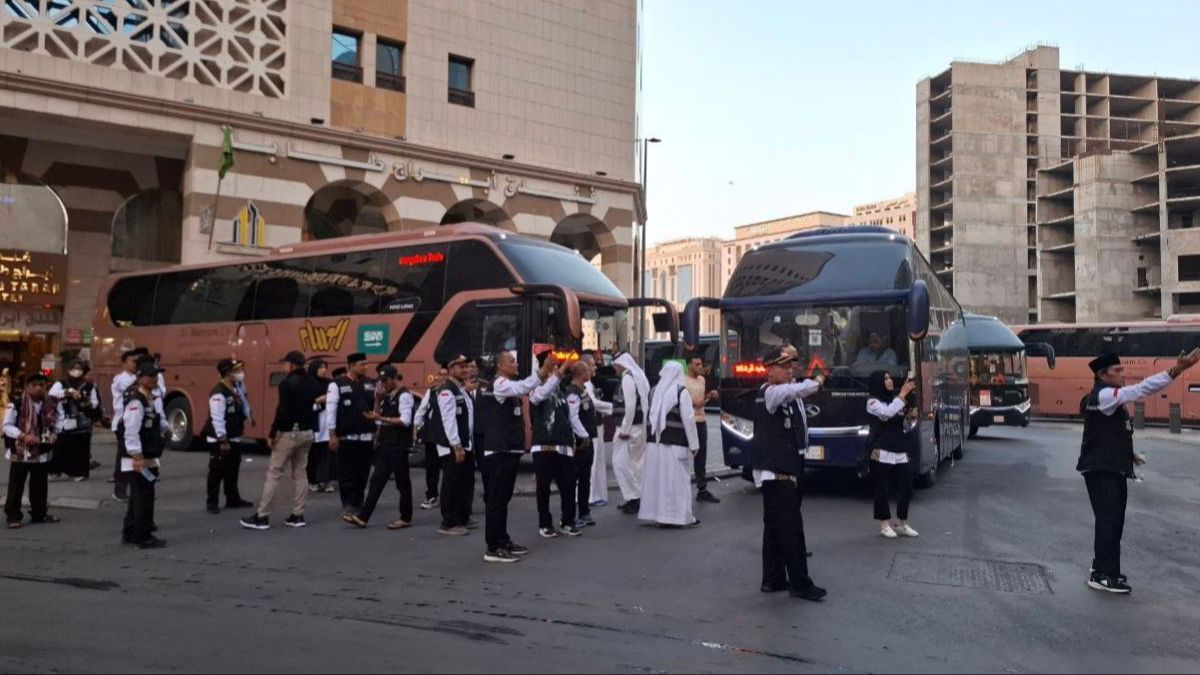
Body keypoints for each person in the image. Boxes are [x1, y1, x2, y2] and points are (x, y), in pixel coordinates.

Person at [1078, 349, 1200, 594]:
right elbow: (1142, 389)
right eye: (1117, 370)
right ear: (1103, 375)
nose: (1122, 373)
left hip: (1111, 468)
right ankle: (1102, 574)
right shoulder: (1105, 395)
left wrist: (1130, 455)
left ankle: (1105, 570)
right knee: (1108, 521)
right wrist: (1177, 369)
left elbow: (1107, 431)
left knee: (1114, 521)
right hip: (1101, 470)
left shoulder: (1108, 397)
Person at [754, 346, 827, 602]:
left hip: (787, 466)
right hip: (778, 471)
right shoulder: (772, 393)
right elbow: (796, 389)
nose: (789, 370)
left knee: (774, 529)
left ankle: (772, 579)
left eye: (791, 365)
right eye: (783, 366)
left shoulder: (785, 392)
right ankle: (800, 583)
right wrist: (817, 381)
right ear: (769, 369)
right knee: (791, 529)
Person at [241, 351, 322, 531]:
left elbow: (282, 411)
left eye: (285, 363)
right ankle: (297, 514)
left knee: (274, 472)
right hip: (308, 431)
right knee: (300, 473)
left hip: (289, 433)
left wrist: (272, 433)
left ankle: (262, 516)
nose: (284, 366)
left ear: (292, 365)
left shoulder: (287, 384)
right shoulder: (313, 382)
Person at [476, 350, 543, 563]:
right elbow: (523, 386)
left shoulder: (507, 386)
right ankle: (493, 547)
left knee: (503, 499)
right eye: (511, 361)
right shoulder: (499, 384)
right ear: (500, 366)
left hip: (509, 450)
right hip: (499, 451)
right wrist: (542, 373)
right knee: (496, 499)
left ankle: (503, 539)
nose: (516, 364)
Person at [345, 365, 415, 530]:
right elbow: (378, 418)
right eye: (380, 382)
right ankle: (363, 516)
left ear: (393, 379)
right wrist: (377, 401)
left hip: (398, 446)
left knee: (402, 483)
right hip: (385, 445)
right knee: (376, 481)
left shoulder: (405, 396)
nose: (383, 384)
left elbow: (405, 421)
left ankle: (406, 517)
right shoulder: (386, 396)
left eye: (385, 381)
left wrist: (382, 418)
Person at [639, 362, 701, 528]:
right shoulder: (681, 392)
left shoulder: (654, 391)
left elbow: (647, 416)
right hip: (676, 445)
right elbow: (688, 420)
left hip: (655, 446)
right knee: (677, 481)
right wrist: (694, 444)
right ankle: (678, 516)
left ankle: (659, 515)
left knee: (658, 480)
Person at [530, 353, 581, 538]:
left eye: (555, 366)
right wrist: (559, 371)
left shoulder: (562, 392)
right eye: (549, 366)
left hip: (563, 447)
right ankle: (545, 524)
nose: (554, 370)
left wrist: (576, 439)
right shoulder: (536, 389)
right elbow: (541, 395)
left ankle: (567, 522)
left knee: (568, 486)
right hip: (543, 448)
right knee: (543, 490)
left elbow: (569, 419)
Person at [117, 363, 169, 548]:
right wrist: (137, 457)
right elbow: (131, 431)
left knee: (138, 497)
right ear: (140, 377)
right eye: (150, 375)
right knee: (143, 498)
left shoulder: (151, 399)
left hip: (147, 454)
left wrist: (166, 430)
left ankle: (130, 532)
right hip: (138, 457)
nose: (154, 379)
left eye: (156, 375)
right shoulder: (136, 401)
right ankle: (143, 536)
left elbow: (157, 421)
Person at [865, 371, 919, 539]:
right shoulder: (872, 402)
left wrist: (911, 418)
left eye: (890, 378)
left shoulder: (897, 399)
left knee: (906, 486)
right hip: (881, 450)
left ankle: (902, 523)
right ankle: (884, 524)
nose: (889, 381)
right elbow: (886, 413)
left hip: (899, 449)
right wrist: (903, 394)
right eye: (885, 378)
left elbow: (905, 426)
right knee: (882, 489)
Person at [4, 373, 59, 529]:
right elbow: (7, 426)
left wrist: (55, 433)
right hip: (22, 451)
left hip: (42, 450)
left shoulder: (50, 403)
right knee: (16, 485)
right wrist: (23, 435)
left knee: (40, 484)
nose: (38, 388)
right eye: (34, 385)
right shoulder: (16, 403)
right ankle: (13, 516)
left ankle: (39, 513)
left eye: (42, 385)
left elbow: (57, 421)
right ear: (27, 387)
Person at [428, 355, 475, 536]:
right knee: (451, 483)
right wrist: (456, 446)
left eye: (466, 366)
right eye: (460, 367)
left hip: (464, 443)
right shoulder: (447, 390)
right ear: (451, 369)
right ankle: (448, 522)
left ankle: (461, 518)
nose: (465, 370)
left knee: (463, 483)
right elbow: (449, 420)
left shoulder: (461, 388)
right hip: (452, 446)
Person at [327, 353, 378, 514]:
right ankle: (347, 503)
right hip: (346, 436)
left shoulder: (370, 383)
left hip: (366, 436)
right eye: (362, 364)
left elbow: (375, 407)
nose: (366, 367)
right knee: (346, 471)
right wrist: (332, 434)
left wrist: (377, 430)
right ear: (352, 366)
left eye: (366, 364)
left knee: (363, 471)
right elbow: (331, 409)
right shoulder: (337, 384)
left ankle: (358, 502)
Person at [202, 359, 254, 514]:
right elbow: (217, 417)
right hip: (220, 439)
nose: (240, 373)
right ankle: (212, 501)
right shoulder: (218, 392)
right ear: (228, 373)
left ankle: (233, 498)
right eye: (237, 370)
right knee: (216, 470)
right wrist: (223, 439)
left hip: (235, 435)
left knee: (233, 469)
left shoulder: (237, 389)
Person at [611, 352, 650, 514]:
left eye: (615, 363)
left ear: (621, 363)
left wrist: (625, 429)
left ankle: (633, 497)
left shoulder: (628, 378)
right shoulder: (639, 376)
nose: (614, 367)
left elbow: (630, 406)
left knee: (619, 462)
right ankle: (638, 497)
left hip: (629, 428)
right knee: (636, 464)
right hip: (639, 427)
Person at [50, 360, 99, 482]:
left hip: (82, 422)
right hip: (63, 420)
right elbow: (52, 394)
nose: (77, 371)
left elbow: (95, 402)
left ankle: (79, 473)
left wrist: (87, 403)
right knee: (59, 448)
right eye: (74, 368)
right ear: (69, 370)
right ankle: (56, 471)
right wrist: (68, 392)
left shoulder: (89, 385)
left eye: (79, 368)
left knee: (80, 449)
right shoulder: (61, 383)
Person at [566, 361, 600, 528]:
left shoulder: (583, 390)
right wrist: (584, 436)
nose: (591, 371)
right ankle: (571, 514)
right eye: (587, 370)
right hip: (579, 442)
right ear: (580, 373)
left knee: (586, 477)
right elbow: (573, 417)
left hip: (587, 440)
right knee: (576, 477)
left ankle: (584, 511)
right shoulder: (573, 393)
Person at [685, 353, 721, 504]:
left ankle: (702, 489)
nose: (700, 367)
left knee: (701, 457)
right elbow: (694, 402)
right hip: (688, 422)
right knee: (686, 456)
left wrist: (709, 395)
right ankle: (683, 488)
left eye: (700, 364)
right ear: (689, 366)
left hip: (701, 421)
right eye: (696, 364)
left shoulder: (702, 380)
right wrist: (703, 400)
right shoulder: (682, 380)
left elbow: (701, 400)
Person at [108, 349, 142, 502]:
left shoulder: (138, 377)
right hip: (122, 421)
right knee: (125, 457)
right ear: (124, 363)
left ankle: (132, 488)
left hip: (134, 421)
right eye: (132, 361)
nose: (135, 364)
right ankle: (119, 491)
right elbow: (129, 387)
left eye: (137, 361)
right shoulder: (120, 379)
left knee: (131, 455)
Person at [581, 354, 614, 508]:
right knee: (593, 461)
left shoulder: (590, 383)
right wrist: (613, 408)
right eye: (593, 365)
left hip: (598, 424)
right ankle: (590, 495)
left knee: (599, 460)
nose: (596, 367)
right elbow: (593, 403)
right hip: (591, 425)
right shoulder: (585, 384)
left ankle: (597, 494)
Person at [415, 367, 448, 510]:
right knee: (432, 468)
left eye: (445, 375)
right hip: (432, 436)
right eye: (440, 375)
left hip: (447, 437)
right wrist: (415, 429)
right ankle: (432, 496)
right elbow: (421, 411)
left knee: (448, 469)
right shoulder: (431, 392)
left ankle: (448, 497)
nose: (442, 378)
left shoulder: (454, 391)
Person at [306, 360, 336, 493]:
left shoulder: (330, 384)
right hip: (314, 421)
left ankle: (325, 480)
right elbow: (304, 404)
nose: (324, 370)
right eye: (320, 368)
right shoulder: (308, 383)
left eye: (325, 367)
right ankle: (312, 480)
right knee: (314, 453)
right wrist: (318, 401)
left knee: (327, 452)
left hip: (327, 420)